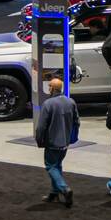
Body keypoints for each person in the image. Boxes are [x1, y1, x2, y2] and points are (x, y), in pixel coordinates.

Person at [35, 77, 79, 207]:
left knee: (51, 166)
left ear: (53, 89)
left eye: (49, 86)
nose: (48, 88)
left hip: (52, 142)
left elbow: (41, 126)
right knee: (58, 165)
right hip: (65, 143)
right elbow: (77, 122)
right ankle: (54, 193)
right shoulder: (71, 102)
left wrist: (39, 140)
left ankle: (64, 188)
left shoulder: (48, 104)